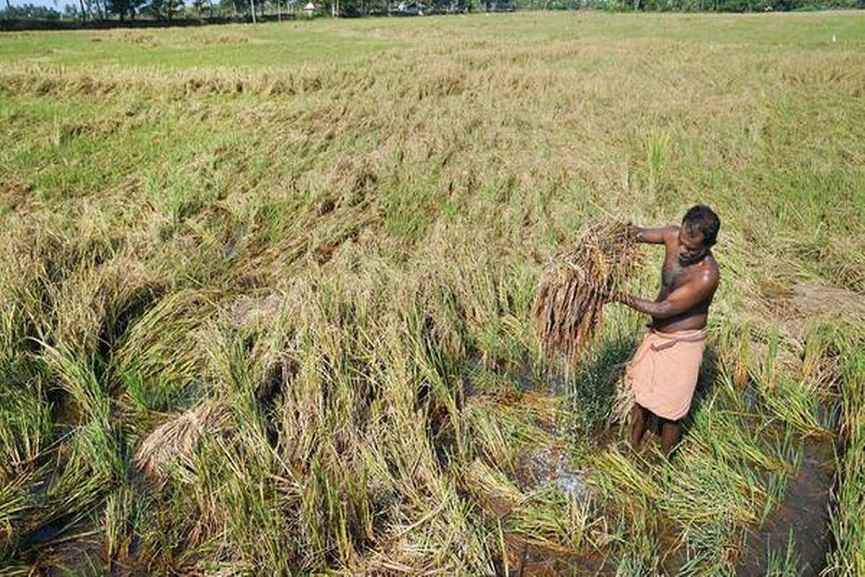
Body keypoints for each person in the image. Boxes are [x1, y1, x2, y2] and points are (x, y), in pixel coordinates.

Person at [611, 205, 721, 456]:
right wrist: (612, 233)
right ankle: (631, 448)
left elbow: (664, 309)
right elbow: (636, 233)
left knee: (671, 412)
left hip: (683, 343)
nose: (682, 250)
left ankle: (666, 464)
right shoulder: (672, 235)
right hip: (656, 336)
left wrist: (619, 296)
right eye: (681, 242)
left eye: (692, 249)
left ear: (708, 246)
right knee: (641, 397)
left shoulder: (707, 276)